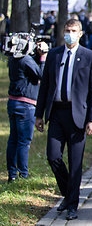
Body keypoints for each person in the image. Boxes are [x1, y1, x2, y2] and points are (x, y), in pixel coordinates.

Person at [34, 19, 92, 220]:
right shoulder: (54, 55)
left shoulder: (89, 57)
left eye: (73, 31)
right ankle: (67, 193)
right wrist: (39, 114)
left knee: (75, 162)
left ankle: (72, 204)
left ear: (80, 34)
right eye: (67, 30)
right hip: (56, 113)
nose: (69, 34)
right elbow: (44, 86)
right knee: (53, 156)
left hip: (78, 115)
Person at [7, 46, 47, 182]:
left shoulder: (13, 59)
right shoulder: (26, 60)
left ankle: (12, 174)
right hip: (25, 105)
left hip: (13, 102)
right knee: (24, 141)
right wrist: (42, 58)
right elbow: (42, 74)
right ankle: (23, 175)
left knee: (13, 139)